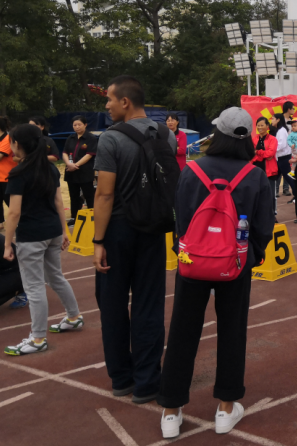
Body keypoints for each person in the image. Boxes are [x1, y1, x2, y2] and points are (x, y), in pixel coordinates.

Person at [157, 108, 275, 439]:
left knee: (182, 331)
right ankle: (225, 407)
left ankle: (171, 411)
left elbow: (180, 218)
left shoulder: (192, 170)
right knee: (232, 331)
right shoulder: (255, 176)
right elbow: (264, 226)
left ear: (219, 134)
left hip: (192, 263)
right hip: (235, 264)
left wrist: (185, 251)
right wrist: (252, 256)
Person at [93, 76, 179, 404]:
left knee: (113, 304)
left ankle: (121, 378)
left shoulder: (111, 139)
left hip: (118, 230)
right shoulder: (167, 135)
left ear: (125, 102)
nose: (107, 106)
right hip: (154, 228)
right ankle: (147, 381)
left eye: (110, 100)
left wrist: (98, 241)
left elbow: (104, 194)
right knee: (149, 304)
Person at [3, 124, 82, 356]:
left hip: (32, 237)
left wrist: (7, 244)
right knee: (55, 276)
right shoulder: (50, 169)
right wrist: (64, 231)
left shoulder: (18, 174)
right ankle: (74, 316)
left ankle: (38, 338)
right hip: (53, 231)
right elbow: (59, 202)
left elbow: (14, 213)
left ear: (17, 144)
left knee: (34, 287)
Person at [62, 115, 98, 223]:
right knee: (73, 195)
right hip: (71, 172)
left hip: (85, 172)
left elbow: (89, 154)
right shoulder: (70, 138)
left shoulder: (91, 138)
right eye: (75, 125)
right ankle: (74, 217)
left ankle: (93, 217)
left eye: (79, 124)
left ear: (85, 125)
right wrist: (69, 164)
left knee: (89, 195)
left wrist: (75, 165)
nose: (77, 127)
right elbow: (65, 152)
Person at [252, 117, 279, 222]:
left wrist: (258, 152)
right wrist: (262, 155)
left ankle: (272, 215)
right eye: (258, 125)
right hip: (256, 171)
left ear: (267, 126)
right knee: (257, 194)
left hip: (269, 171)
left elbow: (271, 154)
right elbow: (252, 155)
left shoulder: (273, 139)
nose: (260, 127)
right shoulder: (254, 139)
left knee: (271, 195)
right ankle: (259, 216)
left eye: (262, 125)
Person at [273, 113, 294, 198]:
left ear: (278, 120)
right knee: (276, 176)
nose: (272, 121)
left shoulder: (281, 130)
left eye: (273, 119)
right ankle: (273, 192)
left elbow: (281, 145)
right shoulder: (280, 130)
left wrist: (272, 149)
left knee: (288, 177)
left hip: (283, 157)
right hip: (281, 157)